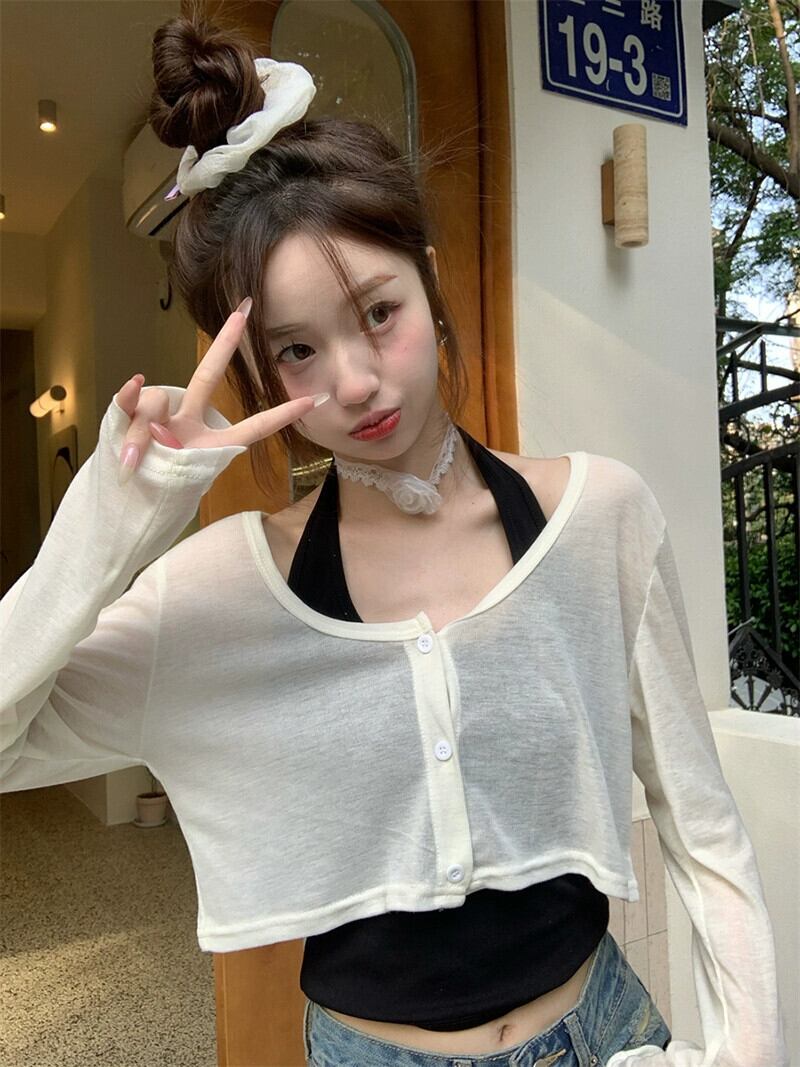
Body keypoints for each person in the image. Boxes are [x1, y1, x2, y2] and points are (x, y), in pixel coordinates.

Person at [0, 12, 789, 1067]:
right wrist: (116, 519)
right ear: (258, 373)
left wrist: (744, 1051)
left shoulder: (599, 519)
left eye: (378, 313)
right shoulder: (224, 593)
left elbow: (704, 830)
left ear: (429, 278)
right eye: (296, 349)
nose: (357, 382)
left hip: (605, 1031)